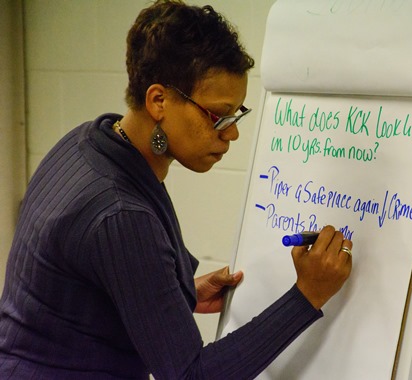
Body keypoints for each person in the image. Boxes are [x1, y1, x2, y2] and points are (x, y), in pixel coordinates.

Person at [0, 1, 352, 378]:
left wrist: (177, 291)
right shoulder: (120, 213)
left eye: (237, 115)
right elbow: (190, 375)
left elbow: (81, 291)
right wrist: (307, 296)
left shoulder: (87, 143)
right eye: (218, 116)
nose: (231, 133)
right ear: (159, 101)